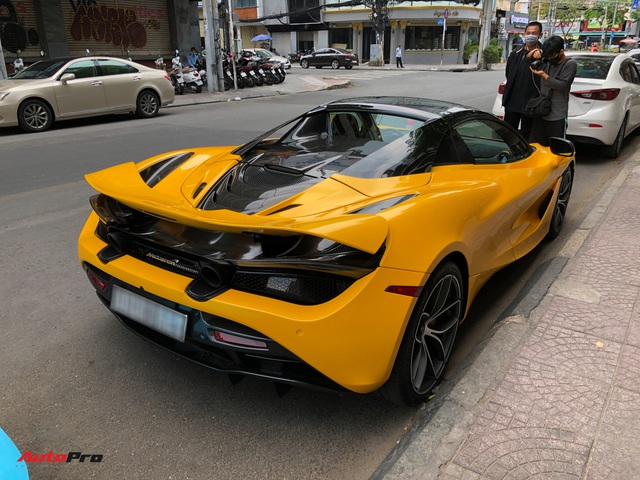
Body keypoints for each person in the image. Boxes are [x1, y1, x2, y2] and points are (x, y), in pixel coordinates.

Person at [529, 35, 578, 147]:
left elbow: (562, 85)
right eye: (548, 56)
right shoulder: (546, 60)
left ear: (561, 51)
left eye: (552, 56)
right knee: (535, 147)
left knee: (556, 150)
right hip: (541, 113)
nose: (550, 59)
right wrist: (534, 54)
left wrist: (544, 75)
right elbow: (526, 61)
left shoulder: (570, 64)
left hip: (557, 116)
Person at [501, 21, 543, 139]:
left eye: (534, 33)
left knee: (528, 136)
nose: (530, 35)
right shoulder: (515, 53)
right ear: (524, 34)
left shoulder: (544, 55)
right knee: (508, 134)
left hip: (533, 104)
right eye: (528, 33)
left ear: (540, 35)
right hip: (513, 102)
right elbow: (508, 74)